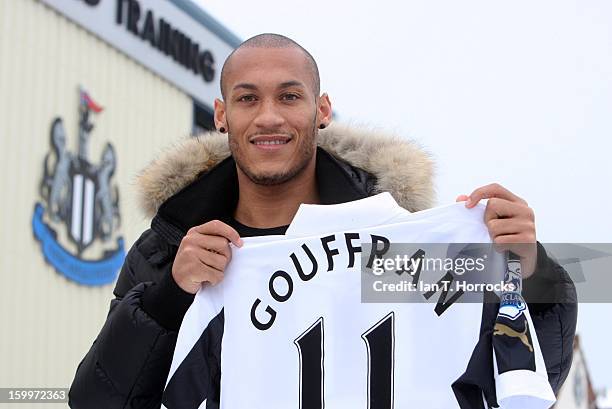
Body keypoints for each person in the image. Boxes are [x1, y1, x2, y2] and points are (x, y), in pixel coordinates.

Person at [69, 33, 577, 408]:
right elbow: (95, 400)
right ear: (222, 115)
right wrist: (170, 296)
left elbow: (523, 378)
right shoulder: (167, 250)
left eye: (289, 96)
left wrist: (531, 268)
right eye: (248, 98)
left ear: (322, 110)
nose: (269, 116)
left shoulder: (392, 249)